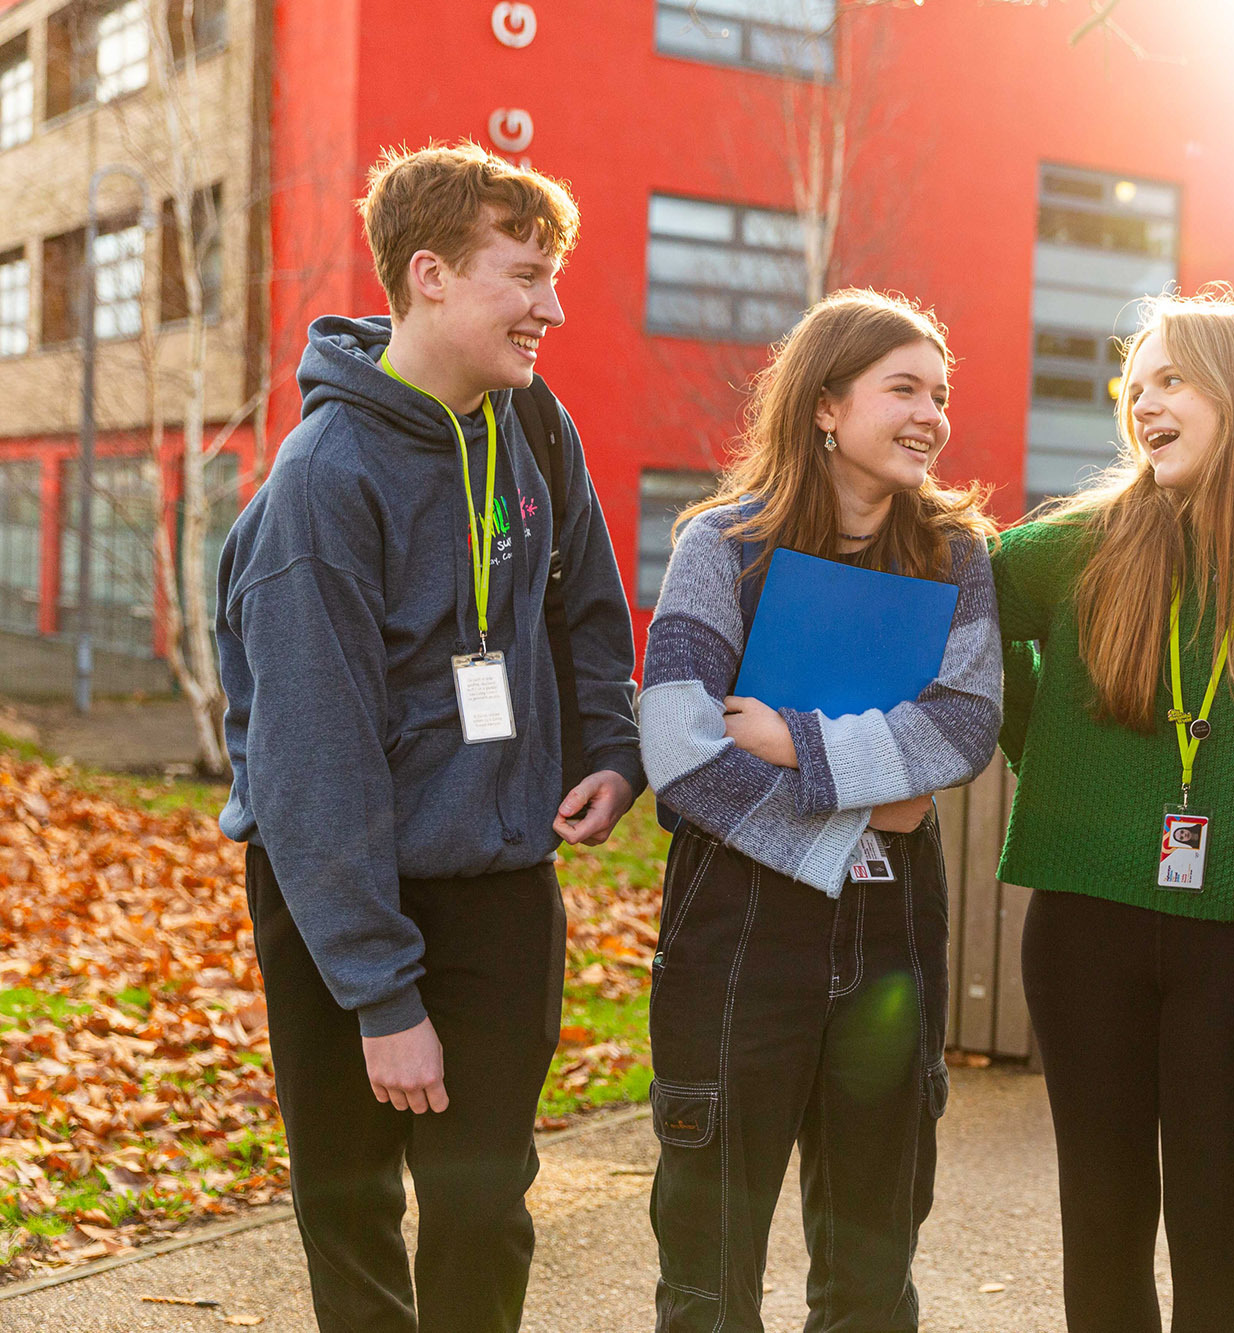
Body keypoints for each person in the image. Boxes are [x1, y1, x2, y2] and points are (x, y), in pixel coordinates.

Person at [215, 143, 644, 1332]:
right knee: (350, 1208)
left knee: (482, 1204)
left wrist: (609, 750)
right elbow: (311, 767)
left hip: (498, 883)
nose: (552, 306)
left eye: (553, 276)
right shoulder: (322, 485)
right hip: (335, 889)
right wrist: (381, 996)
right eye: (524, 275)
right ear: (431, 276)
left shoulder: (531, 423)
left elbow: (586, 606)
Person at [992, 293, 1234, 1333]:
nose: (1142, 405)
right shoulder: (1081, 543)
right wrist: (1043, 752)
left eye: (1169, 379)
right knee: (1102, 1216)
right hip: (1081, 928)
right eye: (1133, 390)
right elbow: (958, 623)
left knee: (1215, 1224)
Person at [638, 289, 1001, 1333]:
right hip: (739, 935)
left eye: (940, 393)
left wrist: (797, 740)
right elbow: (679, 748)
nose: (931, 413)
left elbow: (964, 724)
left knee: (871, 1279)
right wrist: (863, 807)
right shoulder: (722, 546)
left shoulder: (954, 553)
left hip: (893, 934)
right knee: (709, 1273)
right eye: (904, 389)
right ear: (827, 404)